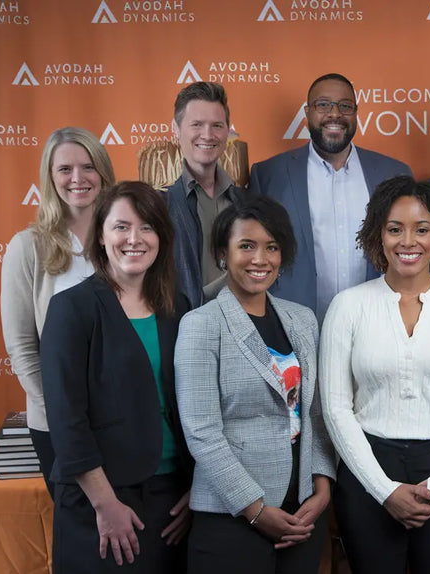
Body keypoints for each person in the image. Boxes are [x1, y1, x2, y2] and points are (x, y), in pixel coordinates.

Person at [320, 176, 430, 574]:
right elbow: (335, 409)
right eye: (395, 229)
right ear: (378, 235)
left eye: (421, 229)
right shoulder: (347, 307)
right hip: (368, 472)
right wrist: (385, 491)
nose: (407, 241)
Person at [175, 195, 335, 573]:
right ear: (222, 254)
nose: (260, 259)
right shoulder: (202, 324)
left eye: (272, 247)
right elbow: (202, 433)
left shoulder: (302, 319)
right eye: (246, 246)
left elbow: (315, 414)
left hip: (303, 511)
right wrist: (255, 509)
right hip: (232, 516)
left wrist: (323, 486)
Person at [41, 181, 193, 573]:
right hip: (101, 500)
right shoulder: (71, 309)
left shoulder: (178, 307)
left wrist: (197, 489)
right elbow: (66, 419)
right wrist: (105, 505)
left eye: (147, 227)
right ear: (102, 236)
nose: (134, 239)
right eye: (121, 227)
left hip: (172, 499)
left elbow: (197, 404)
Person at [1, 126, 115, 498]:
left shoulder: (125, 241)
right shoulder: (27, 247)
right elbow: (22, 347)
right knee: (82, 535)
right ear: (50, 178)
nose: (78, 179)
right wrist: (65, 418)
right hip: (56, 427)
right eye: (65, 169)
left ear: (104, 172)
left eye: (88, 167)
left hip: (123, 422)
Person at [250, 73, 412, 323]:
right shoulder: (269, 174)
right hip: (293, 326)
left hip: (378, 325)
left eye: (345, 106)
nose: (334, 114)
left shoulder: (393, 174)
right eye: (323, 104)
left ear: (356, 113)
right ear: (307, 112)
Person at [165, 81, 247, 309]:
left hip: (243, 328)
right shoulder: (160, 205)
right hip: (183, 331)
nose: (208, 135)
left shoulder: (245, 202)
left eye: (217, 125)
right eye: (197, 125)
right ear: (176, 128)